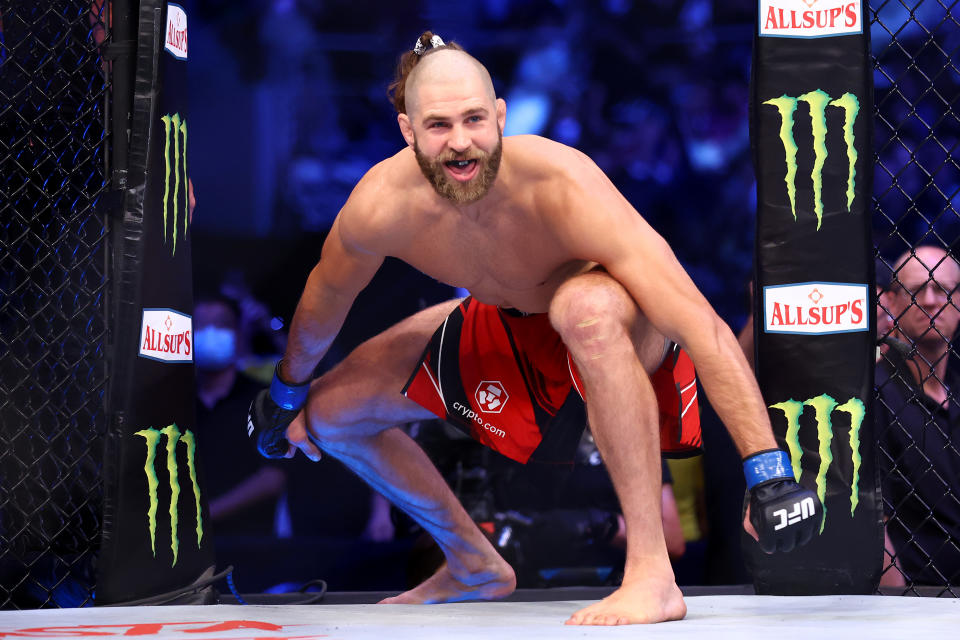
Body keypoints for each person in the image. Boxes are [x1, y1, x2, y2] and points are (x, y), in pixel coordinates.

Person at [248, 31, 821, 625]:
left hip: (613, 326)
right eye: (440, 125)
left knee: (583, 310)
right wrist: (287, 390)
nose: (462, 143)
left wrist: (769, 471)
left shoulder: (560, 182)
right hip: (508, 328)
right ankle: (473, 563)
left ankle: (652, 574)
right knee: (329, 417)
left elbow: (699, 323)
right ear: (407, 130)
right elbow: (326, 296)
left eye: (474, 119)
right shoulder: (379, 206)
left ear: (500, 116)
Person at [875, 246, 960, 585]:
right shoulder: (874, 395)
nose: (930, 300)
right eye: (916, 290)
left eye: (942, 289)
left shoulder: (955, 387)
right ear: (893, 303)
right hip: (917, 601)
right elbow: (871, 523)